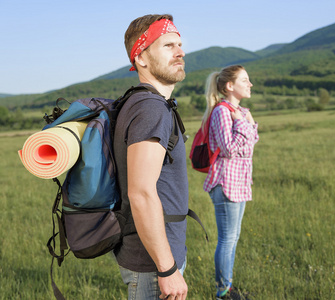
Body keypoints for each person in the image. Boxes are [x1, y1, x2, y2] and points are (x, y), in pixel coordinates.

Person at [113, 14, 188, 300]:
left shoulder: (141, 102)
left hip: (153, 255)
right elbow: (141, 193)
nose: (180, 51)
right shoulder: (151, 109)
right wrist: (167, 270)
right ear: (141, 59)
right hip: (154, 263)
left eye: (180, 44)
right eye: (168, 45)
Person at [201, 65, 259, 299]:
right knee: (227, 239)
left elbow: (253, 142)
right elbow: (230, 148)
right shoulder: (222, 112)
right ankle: (223, 291)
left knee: (233, 238)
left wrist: (244, 124)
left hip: (240, 183)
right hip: (226, 184)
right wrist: (244, 125)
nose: (250, 84)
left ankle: (228, 287)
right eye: (245, 80)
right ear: (229, 86)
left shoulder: (241, 112)